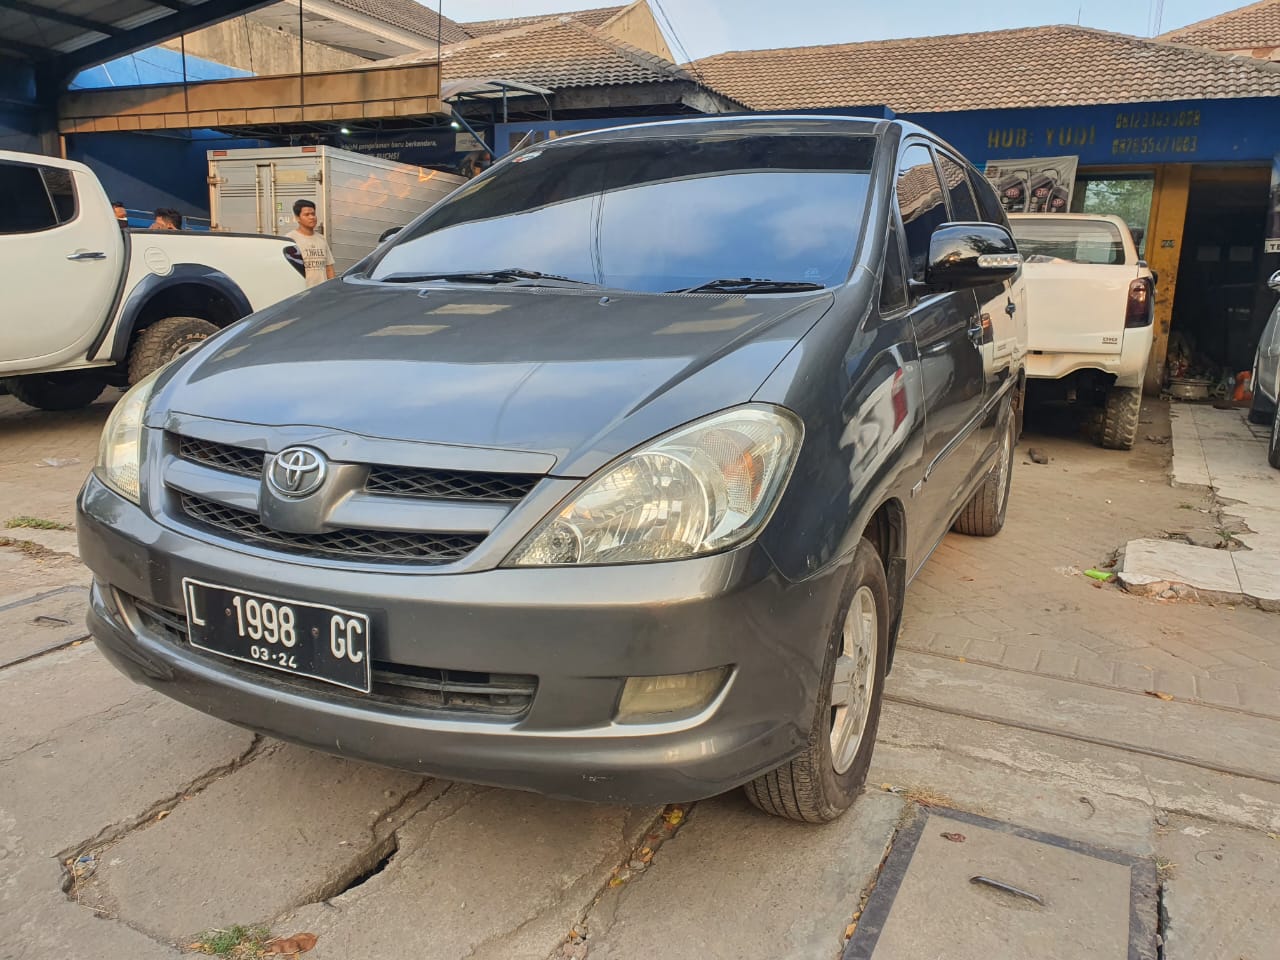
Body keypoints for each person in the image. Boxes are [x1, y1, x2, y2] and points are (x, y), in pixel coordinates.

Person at [286, 199, 336, 288]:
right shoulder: (290, 240)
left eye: (313, 214)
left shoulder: (321, 239)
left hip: (321, 292)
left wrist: (332, 289)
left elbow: (329, 268)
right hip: (301, 294)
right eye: (307, 214)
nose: (312, 217)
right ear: (297, 218)